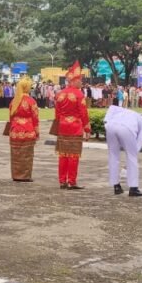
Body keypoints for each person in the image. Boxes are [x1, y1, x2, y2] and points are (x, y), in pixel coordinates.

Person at [104, 102, 142, 197]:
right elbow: (138, 145)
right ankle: (133, 188)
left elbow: (112, 107)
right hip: (126, 129)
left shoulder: (132, 113)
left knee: (113, 155)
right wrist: (126, 166)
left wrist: (106, 121)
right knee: (132, 157)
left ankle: (116, 186)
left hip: (110, 126)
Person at [53, 61, 91, 189]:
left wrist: (57, 127)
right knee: (73, 155)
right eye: (80, 80)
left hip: (63, 126)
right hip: (75, 127)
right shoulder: (79, 94)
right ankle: (72, 181)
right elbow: (83, 113)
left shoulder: (59, 94)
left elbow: (57, 114)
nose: (81, 82)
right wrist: (87, 128)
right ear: (73, 81)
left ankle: (62, 181)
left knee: (63, 155)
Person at [7, 78, 40, 182]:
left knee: (16, 155)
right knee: (27, 155)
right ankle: (25, 176)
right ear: (27, 88)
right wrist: (37, 132)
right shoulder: (31, 101)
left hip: (15, 131)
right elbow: (35, 118)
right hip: (27, 130)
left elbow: (10, 118)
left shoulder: (14, 101)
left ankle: (16, 175)